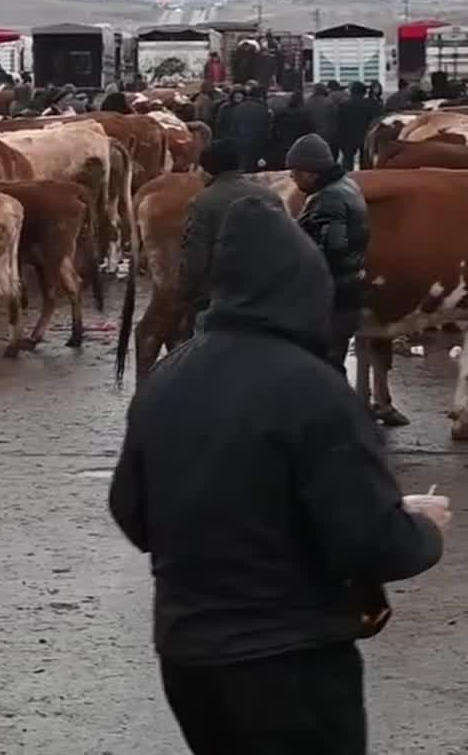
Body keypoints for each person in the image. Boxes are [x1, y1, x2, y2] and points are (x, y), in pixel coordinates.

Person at [109, 194, 446, 755]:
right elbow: (372, 542)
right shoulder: (315, 391)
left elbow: (133, 513)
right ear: (304, 291)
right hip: (292, 664)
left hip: (188, 660)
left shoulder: (167, 380)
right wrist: (426, 529)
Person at [287, 132, 369, 371]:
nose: (291, 176)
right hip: (347, 291)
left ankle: (335, 408)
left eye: (296, 171)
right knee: (331, 364)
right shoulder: (345, 186)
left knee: (325, 367)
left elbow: (333, 250)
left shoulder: (330, 198)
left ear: (312, 173)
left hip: (333, 298)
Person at [179, 139, 279, 334]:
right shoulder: (270, 197)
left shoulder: (203, 202)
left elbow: (196, 258)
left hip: (219, 296)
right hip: (262, 294)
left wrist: (187, 292)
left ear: (208, 169)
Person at [336, 82, 382, 171]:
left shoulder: (343, 105)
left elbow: (339, 122)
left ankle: (347, 177)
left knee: (347, 161)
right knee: (365, 161)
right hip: (364, 135)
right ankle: (364, 178)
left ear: (352, 91)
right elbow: (375, 121)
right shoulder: (369, 104)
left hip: (347, 136)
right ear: (364, 92)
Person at [226, 83, 272, 170]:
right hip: (257, 145)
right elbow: (267, 129)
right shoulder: (263, 108)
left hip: (240, 144)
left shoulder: (239, 107)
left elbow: (233, 127)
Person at [268, 92, 309, 170]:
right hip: (298, 145)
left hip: (283, 145)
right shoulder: (304, 114)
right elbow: (308, 130)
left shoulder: (280, 114)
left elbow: (273, 129)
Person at [304, 83, 339, 153]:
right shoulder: (329, 102)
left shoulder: (307, 102)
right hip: (328, 135)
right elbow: (335, 119)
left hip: (311, 134)